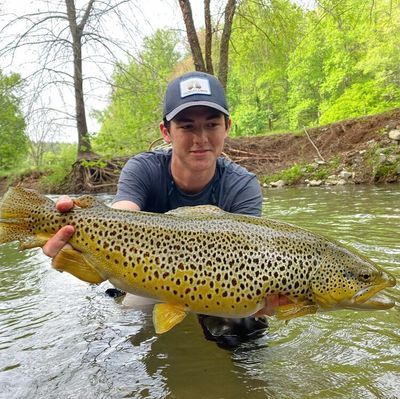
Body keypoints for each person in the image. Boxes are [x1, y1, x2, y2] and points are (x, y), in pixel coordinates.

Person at [43, 71, 289, 348]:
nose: (201, 138)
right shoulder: (143, 169)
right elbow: (122, 216)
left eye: (211, 124)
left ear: (227, 126)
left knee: (247, 326)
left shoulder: (242, 185)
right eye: (187, 127)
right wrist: (70, 230)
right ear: (166, 131)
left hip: (219, 283)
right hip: (148, 280)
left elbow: (250, 258)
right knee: (132, 329)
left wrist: (263, 297)